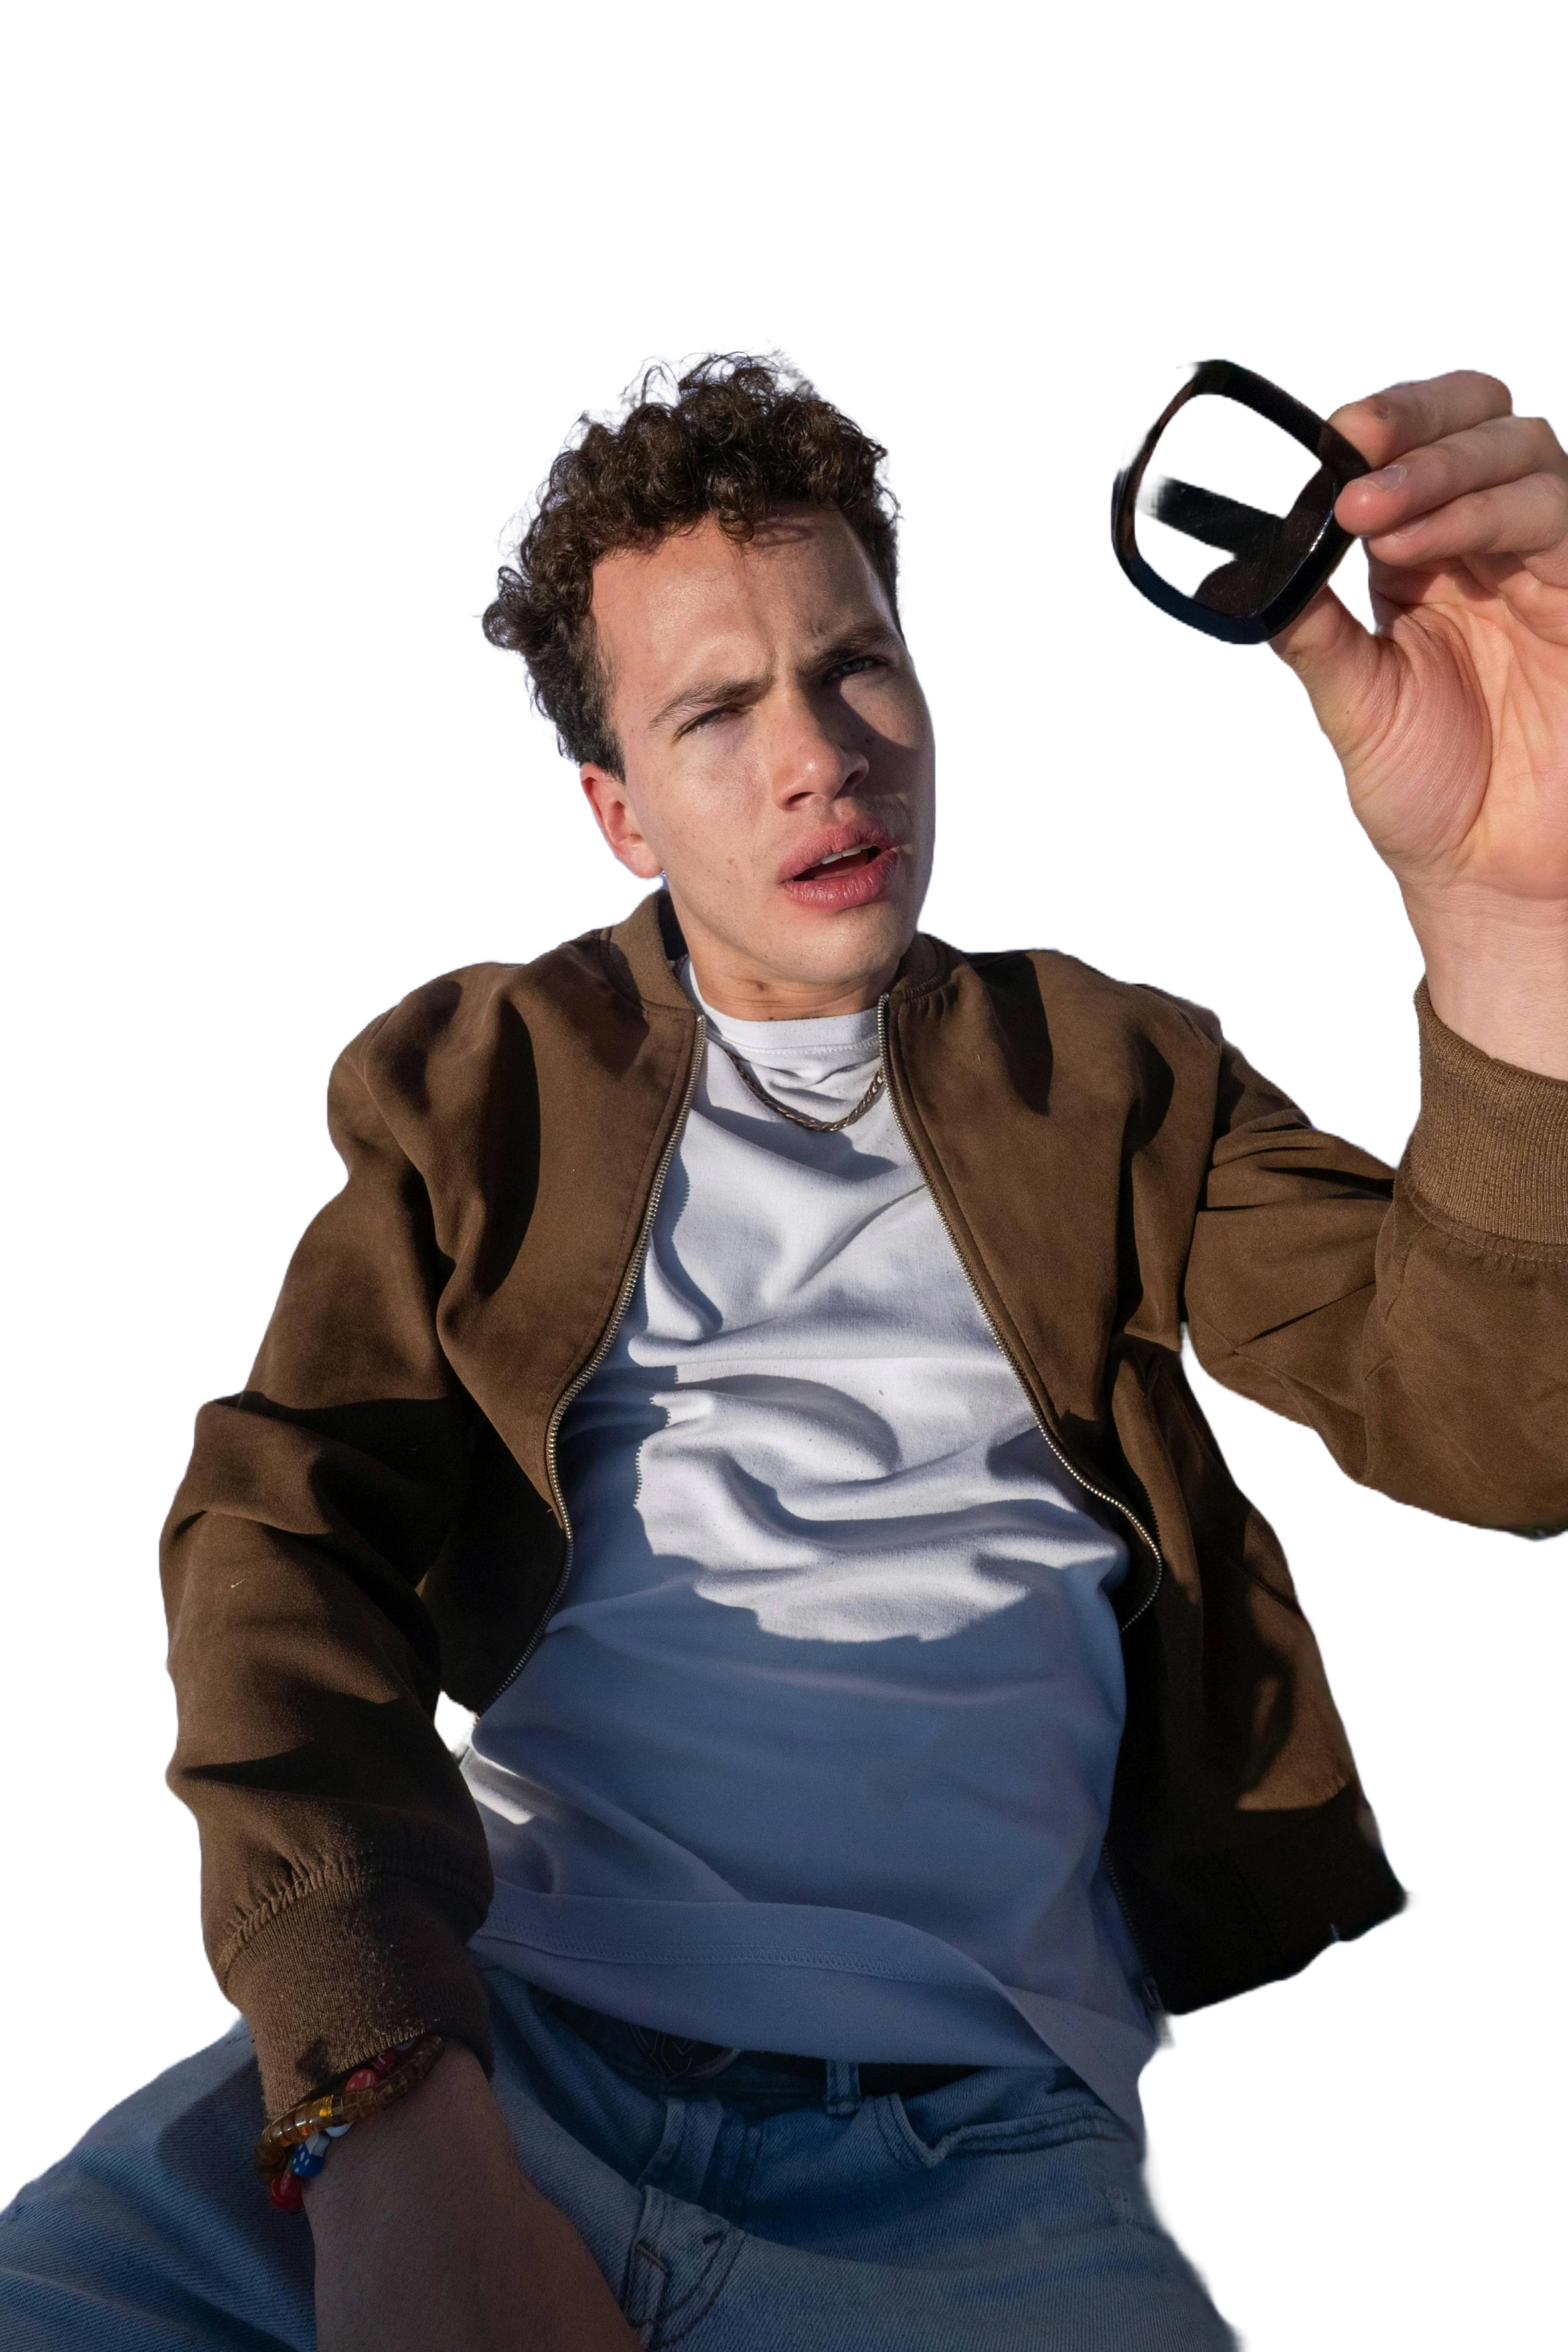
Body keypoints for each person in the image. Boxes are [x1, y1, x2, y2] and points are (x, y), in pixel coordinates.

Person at [4, 341, 1563, 2352]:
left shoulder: (1113, 1076)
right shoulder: (477, 1078)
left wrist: (1507, 928)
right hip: (492, 2038)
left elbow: (1497, 1430)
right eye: (716, 713)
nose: (819, 754)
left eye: (856, 667)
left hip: (974, 2160)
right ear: (615, 807)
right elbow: (269, 1546)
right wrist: (380, 2107)